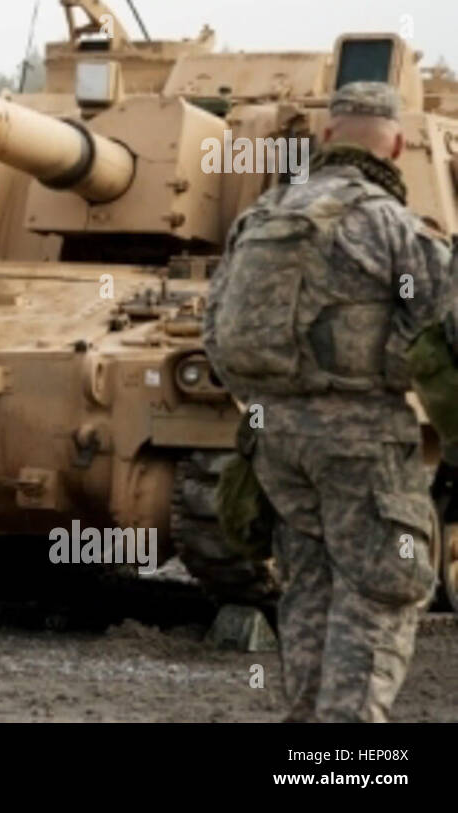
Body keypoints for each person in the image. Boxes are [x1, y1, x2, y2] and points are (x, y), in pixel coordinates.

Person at [204, 81, 451, 722]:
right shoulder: (389, 224)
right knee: (382, 591)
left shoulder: (261, 217)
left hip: (276, 444)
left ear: (328, 136)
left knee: (309, 587)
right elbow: (443, 319)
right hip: (364, 442)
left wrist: (271, 405)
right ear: (396, 145)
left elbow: (216, 329)